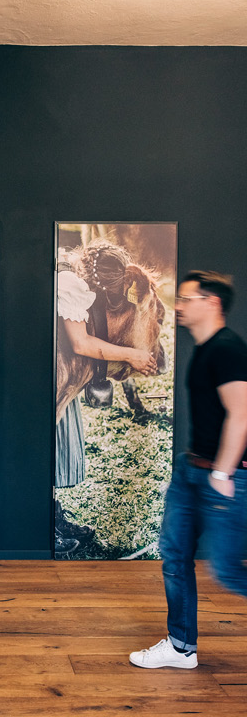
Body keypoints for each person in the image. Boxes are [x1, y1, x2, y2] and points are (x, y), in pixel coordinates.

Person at [129, 270, 247, 669]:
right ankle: (181, 647)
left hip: (222, 475)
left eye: (186, 299)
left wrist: (223, 474)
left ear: (210, 302)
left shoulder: (228, 348)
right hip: (191, 470)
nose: (178, 306)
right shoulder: (206, 348)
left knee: (228, 570)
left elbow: (241, 415)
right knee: (175, 554)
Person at [55, 243, 158, 554]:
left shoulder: (81, 288)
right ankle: (38, 524)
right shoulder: (69, 284)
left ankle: (52, 516)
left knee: (56, 448)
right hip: (52, 374)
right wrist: (133, 355)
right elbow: (80, 342)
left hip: (66, 380)